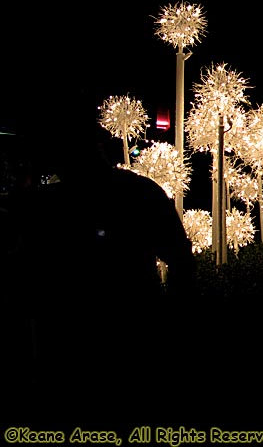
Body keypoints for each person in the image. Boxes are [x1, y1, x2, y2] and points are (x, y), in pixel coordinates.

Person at [4, 87, 197, 419]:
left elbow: (22, 275)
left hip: (69, 349)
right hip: (129, 341)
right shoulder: (141, 193)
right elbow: (181, 259)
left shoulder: (43, 206)